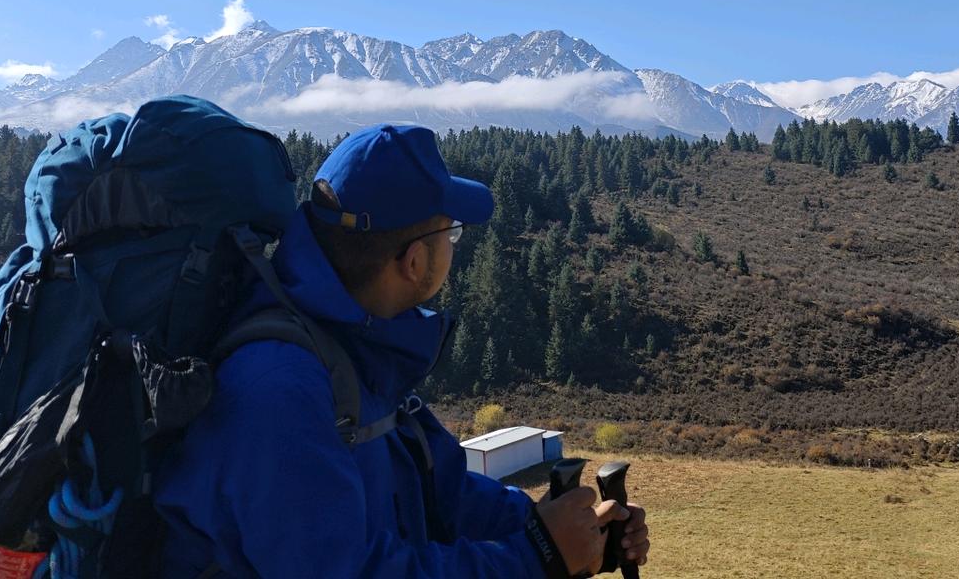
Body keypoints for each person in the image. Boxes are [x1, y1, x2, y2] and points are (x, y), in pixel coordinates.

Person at [156, 122, 650, 577]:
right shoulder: (278, 389)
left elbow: (441, 489)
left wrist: (556, 526)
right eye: (451, 232)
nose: (456, 246)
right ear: (415, 261)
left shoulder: (358, 347)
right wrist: (534, 557)